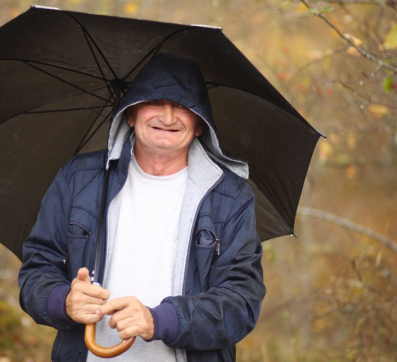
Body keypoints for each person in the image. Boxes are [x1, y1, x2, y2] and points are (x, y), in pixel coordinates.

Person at [18, 54, 265, 362]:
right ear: (130, 114)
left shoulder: (230, 196)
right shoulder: (79, 178)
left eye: (183, 106)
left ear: (200, 124)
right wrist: (63, 300)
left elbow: (241, 302)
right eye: (155, 102)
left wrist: (158, 320)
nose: (168, 116)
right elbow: (36, 272)